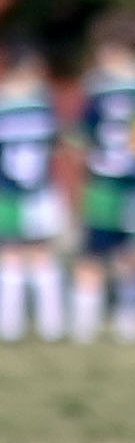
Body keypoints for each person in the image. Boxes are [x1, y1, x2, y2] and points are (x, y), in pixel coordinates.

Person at [72, 19, 135, 344]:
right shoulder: (98, 86)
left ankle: (128, 324)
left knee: (129, 255)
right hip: (104, 182)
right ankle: (85, 326)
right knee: (94, 251)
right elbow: (85, 132)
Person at [0, 37, 67, 342]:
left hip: (23, 192)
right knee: (24, 255)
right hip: (24, 192)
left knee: (23, 255)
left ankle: (24, 327)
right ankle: (37, 326)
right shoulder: (39, 105)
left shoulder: (39, 102)